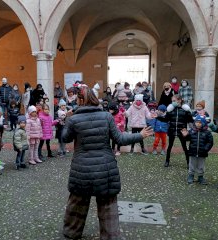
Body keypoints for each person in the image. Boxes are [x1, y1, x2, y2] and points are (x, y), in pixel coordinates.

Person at [61, 85, 153, 240]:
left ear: (80, 100)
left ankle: (72, 231)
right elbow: (120, 138)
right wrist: (140, 135)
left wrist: (68, 118)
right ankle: (111, 236)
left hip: (82, 169)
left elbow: (65, 138)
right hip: (105, 168)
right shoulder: (106, 117)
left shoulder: (75, 119)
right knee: (108, 203)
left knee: (77, 201)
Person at [157, 94, 193, 168]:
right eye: (172, 101)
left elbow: (191, 120)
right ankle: (167, 161)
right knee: (169, 146)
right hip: (172, 130)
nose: (172, 102)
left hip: (182, 131)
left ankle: (189, 163)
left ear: (179, 100)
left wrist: (191, 114)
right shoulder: (171, 110)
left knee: (184, 147)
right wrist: (158, 117)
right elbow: (166, 119)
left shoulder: (185, 110)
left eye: (174, 101)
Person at [181, 115, 213, 185]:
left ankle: (200, 177)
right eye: (197, 122)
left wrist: (206, 149)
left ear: (204, 123)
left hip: (202, 152)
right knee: (192, 164)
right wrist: (185, 136)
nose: (198, 124)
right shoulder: (191, 131)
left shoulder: (207, 132)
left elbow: (210, 142)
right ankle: (191, 176)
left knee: (201, 165)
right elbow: (187, 139)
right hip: (193, 151)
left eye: (200, 122)